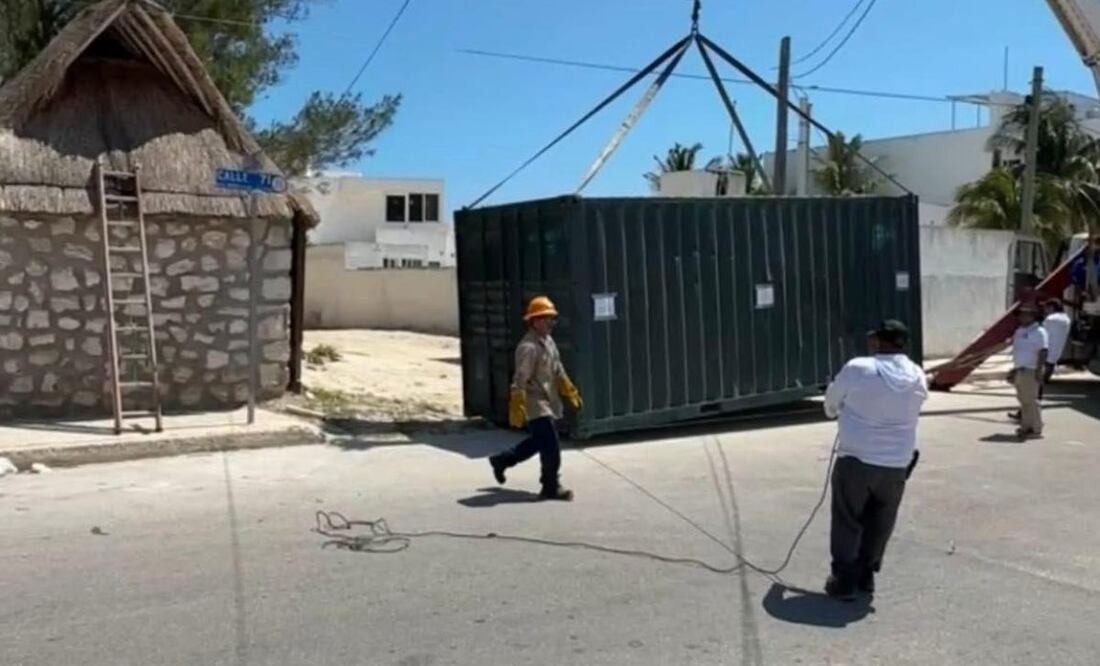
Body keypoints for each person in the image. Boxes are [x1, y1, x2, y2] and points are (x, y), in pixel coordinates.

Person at [822, 320, 928, 600]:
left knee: (847, 518)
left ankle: (844, 579)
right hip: (897, 463)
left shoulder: (859, 368)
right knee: (881, 520)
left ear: (876, 341)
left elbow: (830, 406)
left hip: (857, 459)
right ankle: (866, 573)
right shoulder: (917, 374)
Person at [488, 296, 582, 501]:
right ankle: (550, 485)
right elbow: (520, 378)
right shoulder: (528, 347)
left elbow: (558, 369)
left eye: (552, 319)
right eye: (547, 319)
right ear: (535, 321)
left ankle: (502, 460)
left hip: (549, 400)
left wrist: (569, 390)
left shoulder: (548, 342)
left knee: (539, 441)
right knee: (551, 446)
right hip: (534, 402)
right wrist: (517, 402)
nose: (551, 323)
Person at [1009, 302, 1049, 440]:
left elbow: (1043, 351)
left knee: (1031, 400)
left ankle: (1036, 429)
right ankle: (1026, 426)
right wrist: (1014, 370)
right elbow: (1016, 349)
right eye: (1020, 315)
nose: (1021, 317)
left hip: (1031, 370)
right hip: (1020, 369)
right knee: (1023, 399)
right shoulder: (1019, 331)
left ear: (1033, 316)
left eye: (1025, 315)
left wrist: (1039, 370)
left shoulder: (1039, 332)